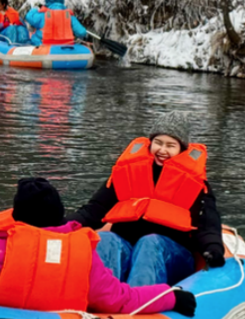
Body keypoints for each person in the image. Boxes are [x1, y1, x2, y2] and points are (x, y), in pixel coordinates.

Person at [0, 177, 197, 316]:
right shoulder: (81, 253)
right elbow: (119, 300)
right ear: (60, 216)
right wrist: (170, 296)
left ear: (15, 217)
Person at [72, 112, 225, 287]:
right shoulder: (126, 172)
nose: (162, 150)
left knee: (150, 243)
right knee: (106, 238)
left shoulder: (196, 184)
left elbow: (208, 224)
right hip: (128, 247)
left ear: (181, 149)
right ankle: (99, 295)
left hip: (171, 255)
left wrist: (213, 248)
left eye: (170, 145)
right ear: (150, 143)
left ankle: (141, 298)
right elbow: (94, 210)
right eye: (158, 143)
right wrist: (61, 224)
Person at [23, 0, 89, 46]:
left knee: (33, 37)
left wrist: (36, 9)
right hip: (67, 45)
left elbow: (29, 16)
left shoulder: (43, 15)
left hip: (44, 45)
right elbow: (81, 32)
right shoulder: (69, 16)